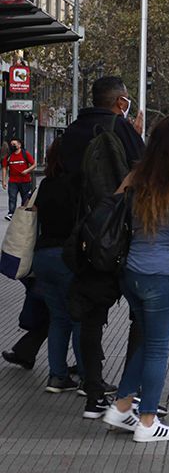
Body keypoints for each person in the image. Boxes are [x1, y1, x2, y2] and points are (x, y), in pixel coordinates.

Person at [102, 114, 169, 442]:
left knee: (146, 342)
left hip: (130, 272)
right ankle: (147, 422)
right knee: (159, 349)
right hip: (160, 277)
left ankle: (121, 406)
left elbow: (112, 211)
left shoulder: (136, 176)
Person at [60, 76, 145, 419]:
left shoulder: (72, 132)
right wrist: (135, 135)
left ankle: (93, 393)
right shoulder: (121, 129)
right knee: (140, 315)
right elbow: (141, 176)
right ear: (120, 102)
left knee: (91, 320)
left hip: (85, 238)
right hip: (122, 236)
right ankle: (128, 394)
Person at [32, 138, 82, 393]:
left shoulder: (46, 184)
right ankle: (87, 376)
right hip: (67, 257)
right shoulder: (77, 185)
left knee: (58, 318)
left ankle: (57, 375)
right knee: (80, 318)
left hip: (42, 256)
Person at [2, 137, 36, 221]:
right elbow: (4, 168)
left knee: (25, 198)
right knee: (12, 198)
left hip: (25, 181)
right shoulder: (9, 156)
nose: (12, 146)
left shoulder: (25, 154)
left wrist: (27, 170)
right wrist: (4, 181)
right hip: (13, 181)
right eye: (11, 144)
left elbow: (34, 164)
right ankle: (11, 213)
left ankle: (23, 213)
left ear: (19, 145)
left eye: (14, 144)